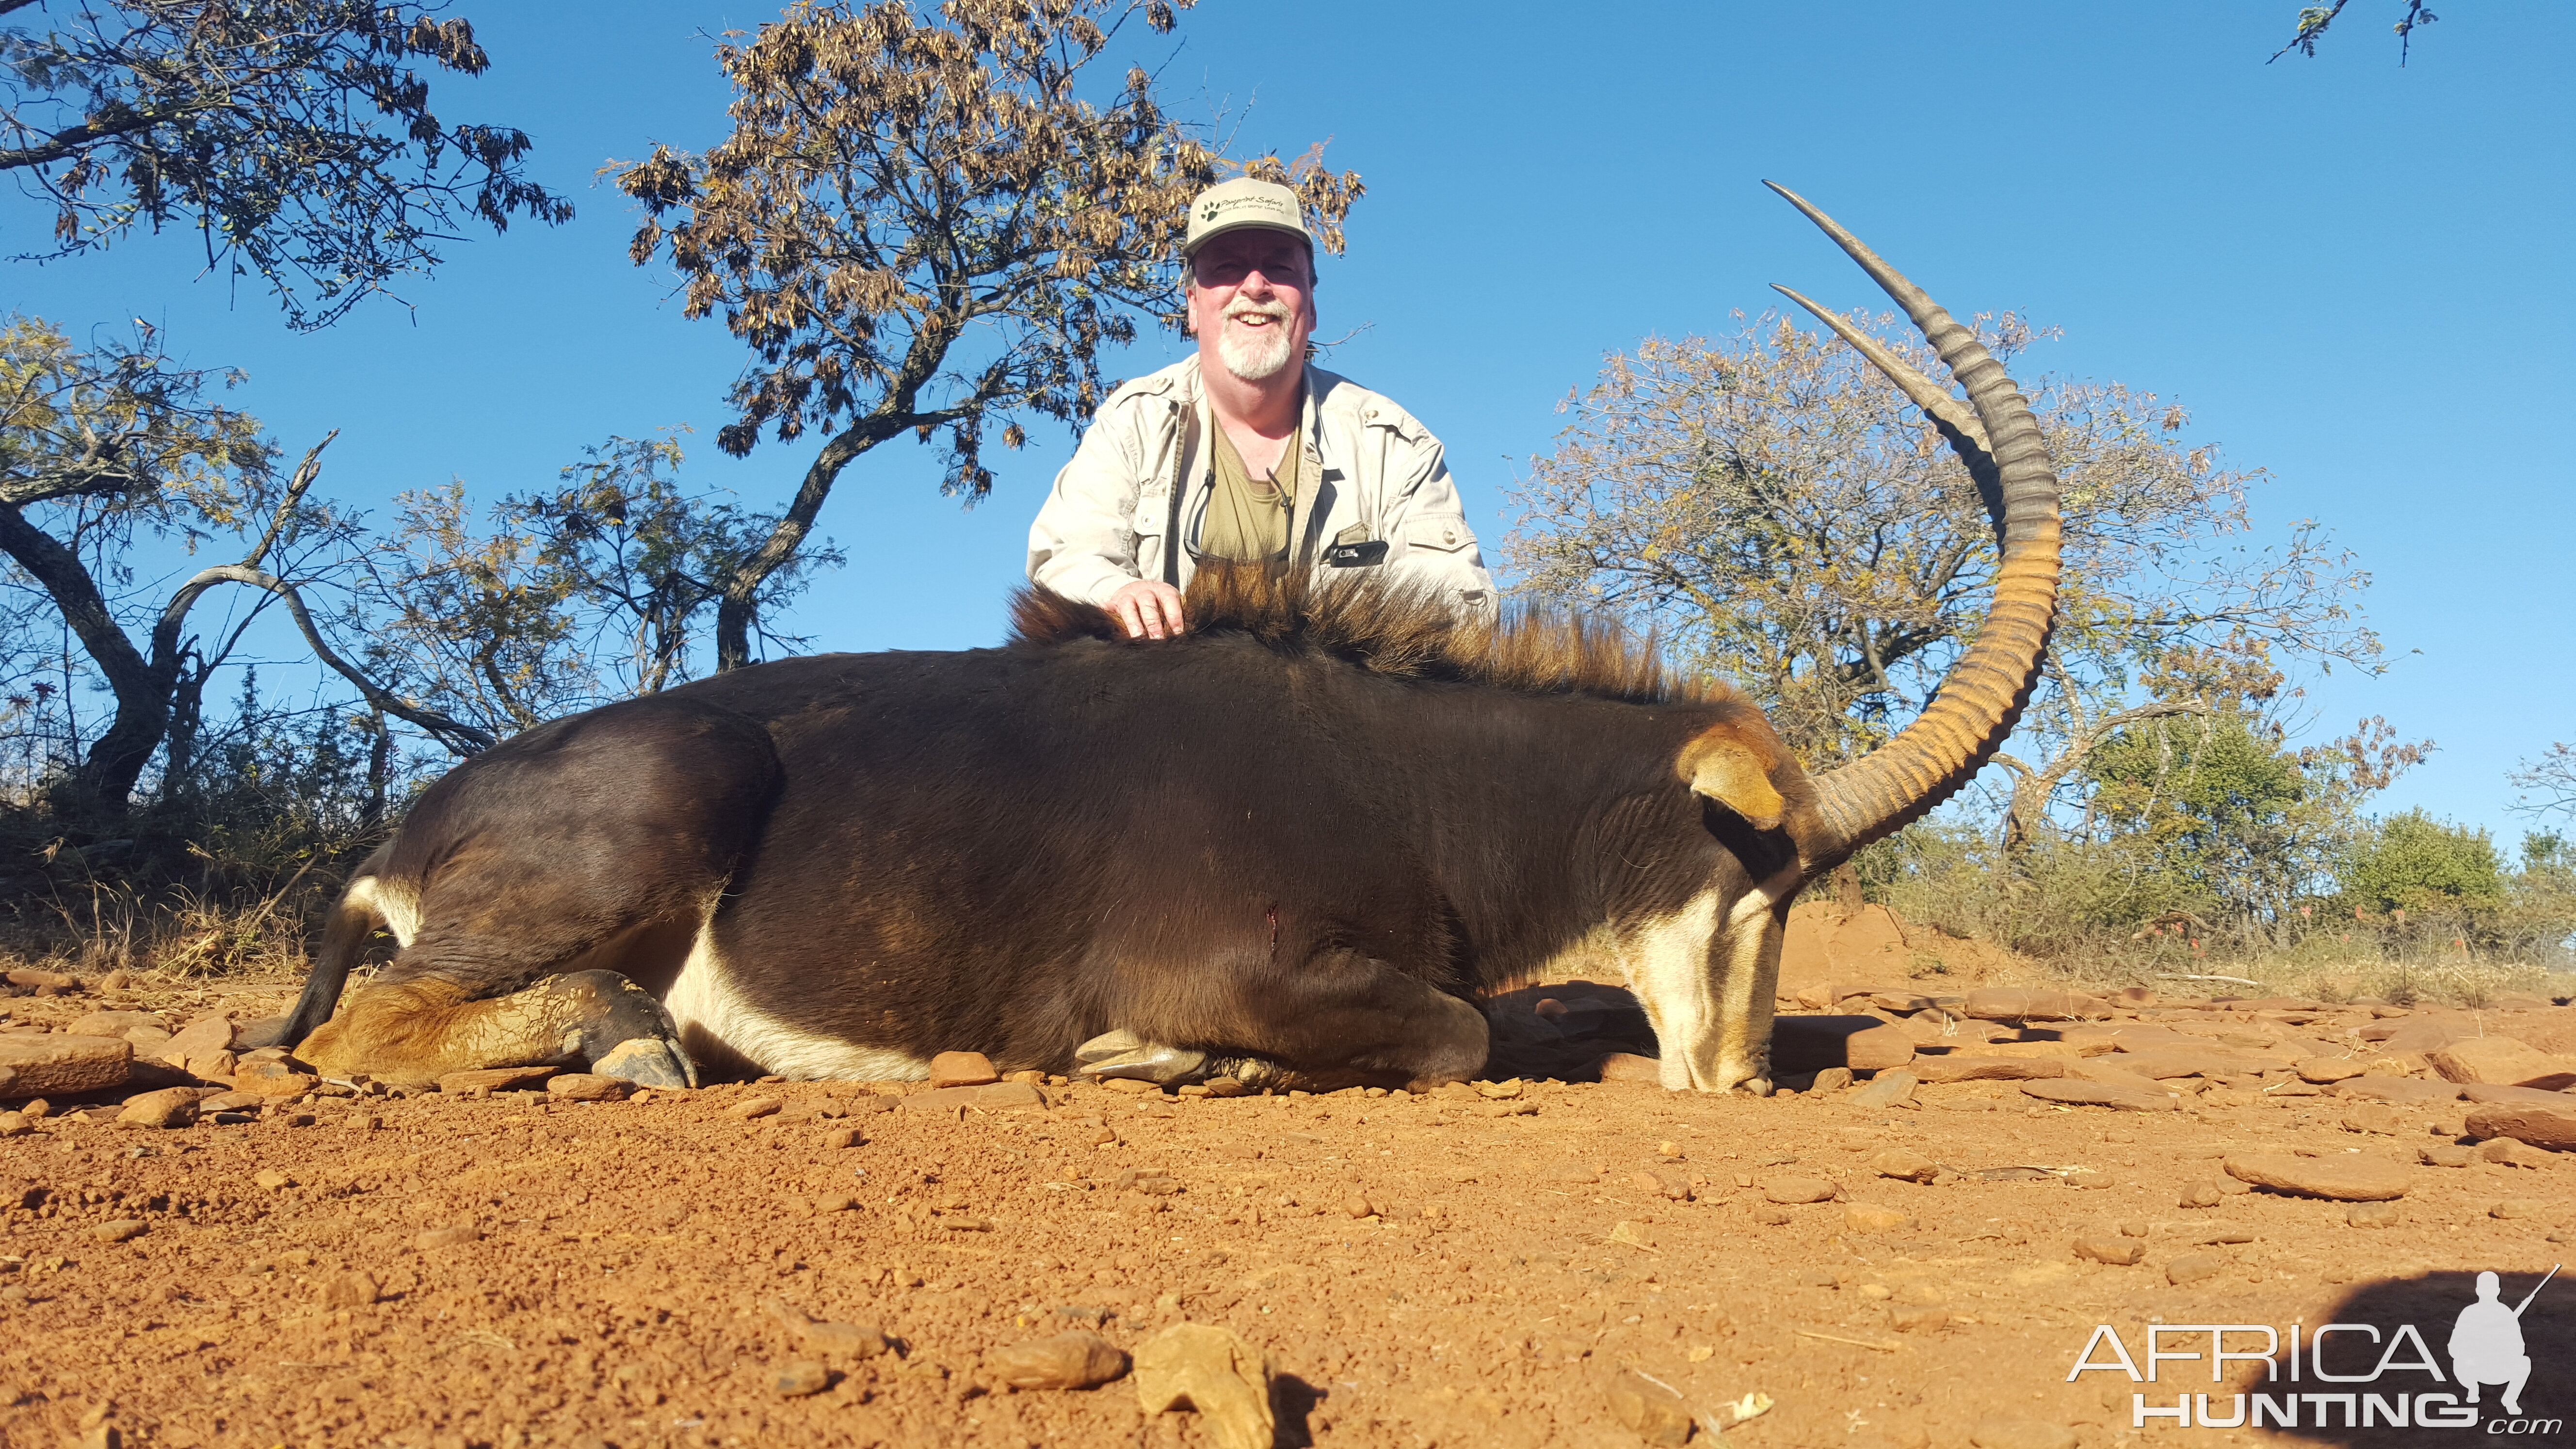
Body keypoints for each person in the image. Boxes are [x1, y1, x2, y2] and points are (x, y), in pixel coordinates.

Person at [1028, 177, 1496, 640]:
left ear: (1311, 308)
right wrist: (1115, 590)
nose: (1255, 286)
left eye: (1280, 268)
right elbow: (1068, 557)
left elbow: (1458, 607)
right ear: (1192, 305)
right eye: (1227, 268)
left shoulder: (1395, 447)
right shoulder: (1133, 423)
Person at [2448, 1270, 2533, 1417]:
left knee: (2459, 1361)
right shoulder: (2505, 1313)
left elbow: (2453, 1349)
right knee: (2525, 1362)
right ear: (2498, 1291)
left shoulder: (2469, 1312)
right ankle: (2478, 1390)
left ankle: (2502, 1397)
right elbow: (2520, 1349)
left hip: (2481, 1369)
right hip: (2486, 1369)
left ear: (2477, 1291)